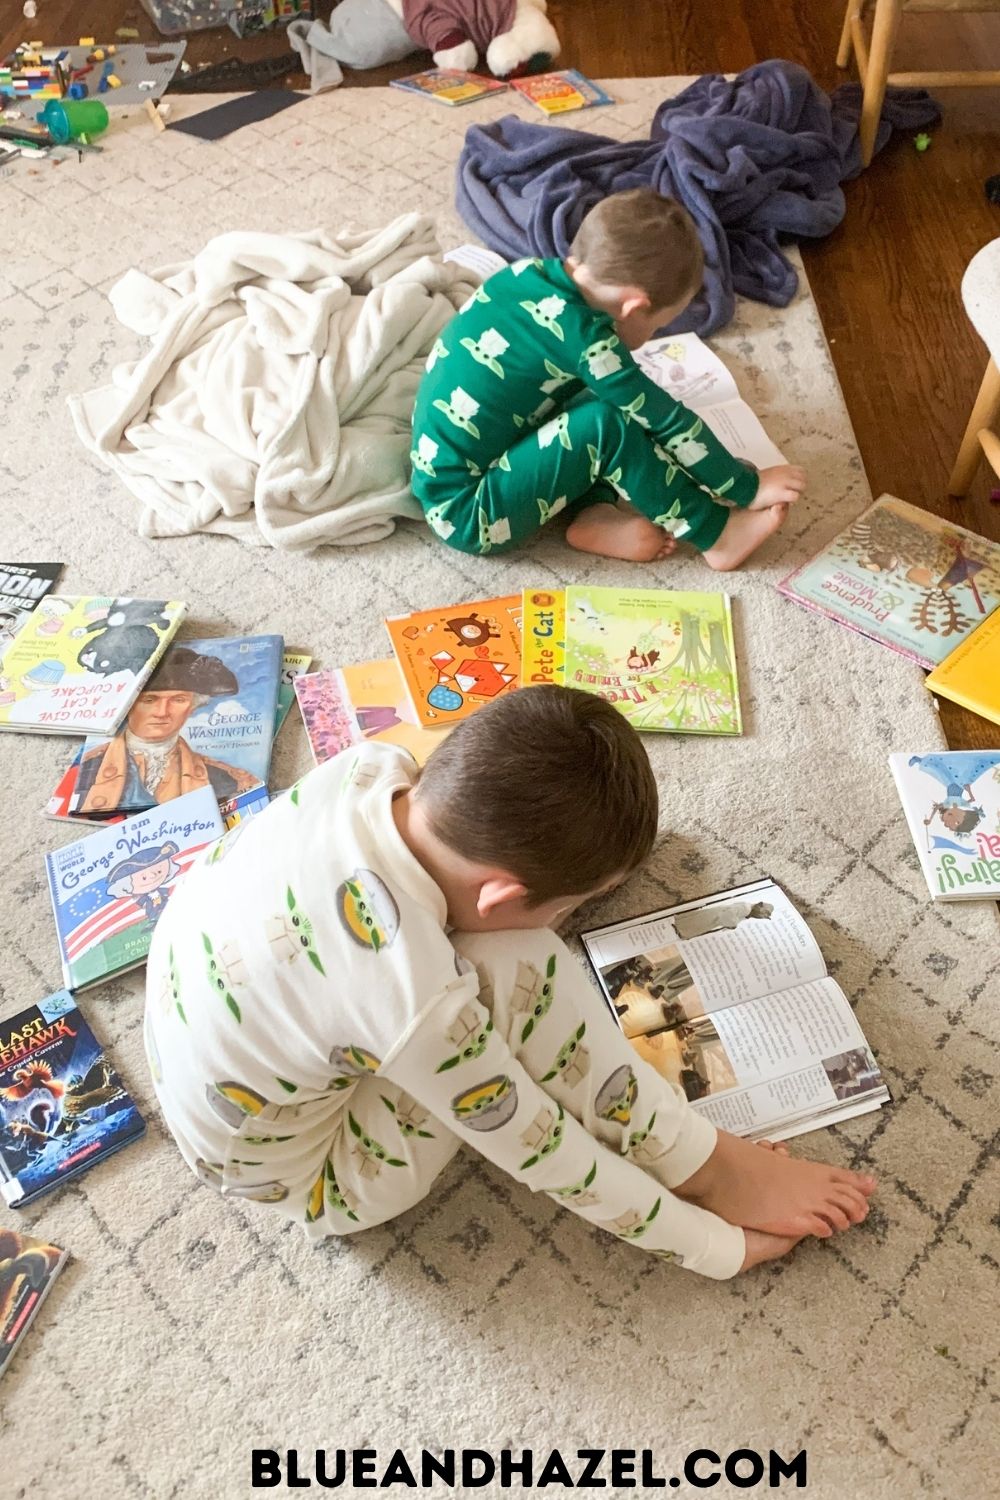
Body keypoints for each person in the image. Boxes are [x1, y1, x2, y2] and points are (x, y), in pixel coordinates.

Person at [144, 686, 874, 1280]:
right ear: (497, 895)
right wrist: (714, 1245)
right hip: (319, 1175)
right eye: (574, 905)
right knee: (524, 965)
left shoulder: (369, 769)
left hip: (203, 1031)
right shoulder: (408, 996)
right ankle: (704, 1166)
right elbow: (547, 1151)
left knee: (497, 966)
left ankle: (691, 1152)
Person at [409, 189, 806, 571]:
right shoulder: (587, 344)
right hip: (469, 513)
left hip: (471, 464)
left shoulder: (527, 272)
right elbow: (666, 419)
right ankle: (716, 534)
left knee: (597, 398)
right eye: (658, 326)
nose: (652, 336)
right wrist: (743, 486)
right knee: (607, 426)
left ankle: (592, 514)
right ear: (634, 307)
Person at [75, 646, 261, 815]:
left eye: (178, 700)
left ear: (193, 707)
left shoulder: (227, 778)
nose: (162, 712)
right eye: (149, 700)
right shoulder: (87, 767)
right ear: (128, 706)